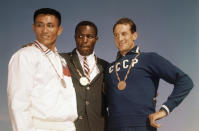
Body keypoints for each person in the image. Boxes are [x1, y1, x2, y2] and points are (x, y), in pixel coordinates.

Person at [105, 17, 193, 131]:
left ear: (134, 35)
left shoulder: (149, 58)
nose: (120, 39)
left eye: (124, 34)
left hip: (143, 126)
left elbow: (185, 81)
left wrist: (164, 110)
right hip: (113, 127)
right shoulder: (109, 68)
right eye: (116, 35)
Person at [7, 8, 78, 131]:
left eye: (50, 26)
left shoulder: (61, 60)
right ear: (34, 27)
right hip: (40, 126)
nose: (45, 30)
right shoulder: (25, 55)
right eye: (40, 25)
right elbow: (18, 103)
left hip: (68, 126)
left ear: (59, 30)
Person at [60, 21, 109, 131]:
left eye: (89, 36)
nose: (84, 40)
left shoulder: (106, 66)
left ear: (96, 39)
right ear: (75, 37)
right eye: (80, 36)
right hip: (71, 127)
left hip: (100, 127)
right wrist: (35, 49)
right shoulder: (61, 59)